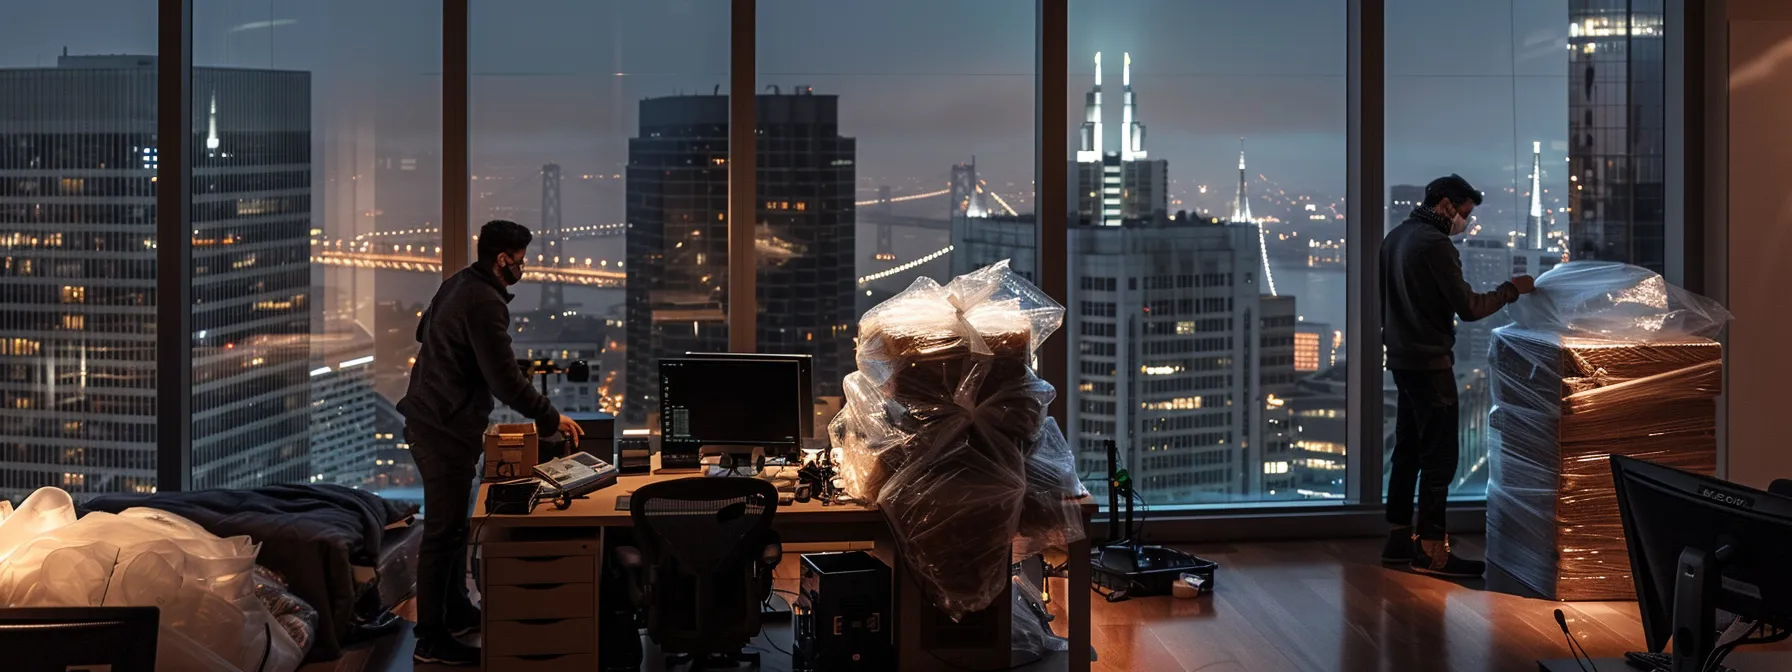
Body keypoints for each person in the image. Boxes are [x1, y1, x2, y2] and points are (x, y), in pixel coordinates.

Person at [397, 219, 584, 665]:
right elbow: (503, 381)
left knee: (455, 527)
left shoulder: (457, 283)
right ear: (503, 259)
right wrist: (552, 417)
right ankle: (430, 638)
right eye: (520, 260)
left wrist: (477, 358)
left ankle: (457, 610)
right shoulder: (484, 301)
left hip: (433, 419)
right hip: (442, 429)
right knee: (442, 533)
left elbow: (426, 335)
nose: (524, 267)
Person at [1379, 174, 1534, 578]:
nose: (1466, 222)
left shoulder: (1395, 238)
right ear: (1446, 204)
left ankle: (1398, 538)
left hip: (1401, 359)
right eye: (1464, 213)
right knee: (1440, 458)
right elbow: (1468, 307)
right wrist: (1511, 290)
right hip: (1431, 364)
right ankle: (1432, 552)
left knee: (1408, 449)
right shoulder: (1435, 245)